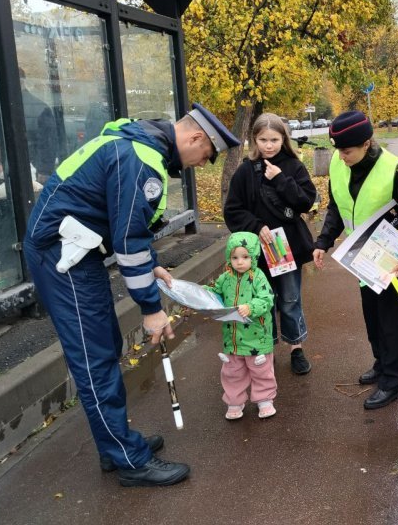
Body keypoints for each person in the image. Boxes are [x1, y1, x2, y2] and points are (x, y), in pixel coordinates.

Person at [23, 102, 241, 487]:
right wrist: (151, 308)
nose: (195, 164)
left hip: (72, 251)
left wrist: (150, 264)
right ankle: (129, 460)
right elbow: (127, 241)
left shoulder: (136, 143)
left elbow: (127, 224)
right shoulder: (142, 159)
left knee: (103, 346)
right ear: (193, 137)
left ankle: (116, 446)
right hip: (62, 256)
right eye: (203, 155)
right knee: (95, 358)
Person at [312, 111, 398, 409]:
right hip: (363, 259)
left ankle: (393, 382)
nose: (341, 156)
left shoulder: (397, 171)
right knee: (373, 318)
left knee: (391, 321)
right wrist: (323, 242)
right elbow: (337, 206)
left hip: (392, 261)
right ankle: (381, 363)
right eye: (338, 149)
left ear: (366, 143)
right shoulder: (340, 165)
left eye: (347, 150)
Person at [224, 112, 317, 375]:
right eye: (263, 139)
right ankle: (265, 347)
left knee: (289, 298)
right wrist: (256, 226)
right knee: (260, 301)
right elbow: (232, 209)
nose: (268, 145)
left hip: (286, 250)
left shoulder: (293, 166)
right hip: (255, 252)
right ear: (254, 139)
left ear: (283, 139)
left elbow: (305, 201)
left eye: (274, 139)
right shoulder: (245, 171)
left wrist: (280, 179)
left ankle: (296, 347)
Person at [206, 231, 277, 420]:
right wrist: (200, 293)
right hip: (233, 339)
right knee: (232, 372)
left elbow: (267, 299)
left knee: (261, 370)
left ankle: (264, 399)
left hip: (257, 338)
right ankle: (234, 402)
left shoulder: (258, 277)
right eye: (235, 257)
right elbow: (214, 292)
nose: (239, 262)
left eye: (245, 257)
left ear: (253, 257)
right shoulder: (225, 278)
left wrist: (251, 307)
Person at [19, 68, 58, 183]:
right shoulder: (2, 106)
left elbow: (48, 143)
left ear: (22, 81)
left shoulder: (40, 108)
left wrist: (44, 171)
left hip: (34, 171)